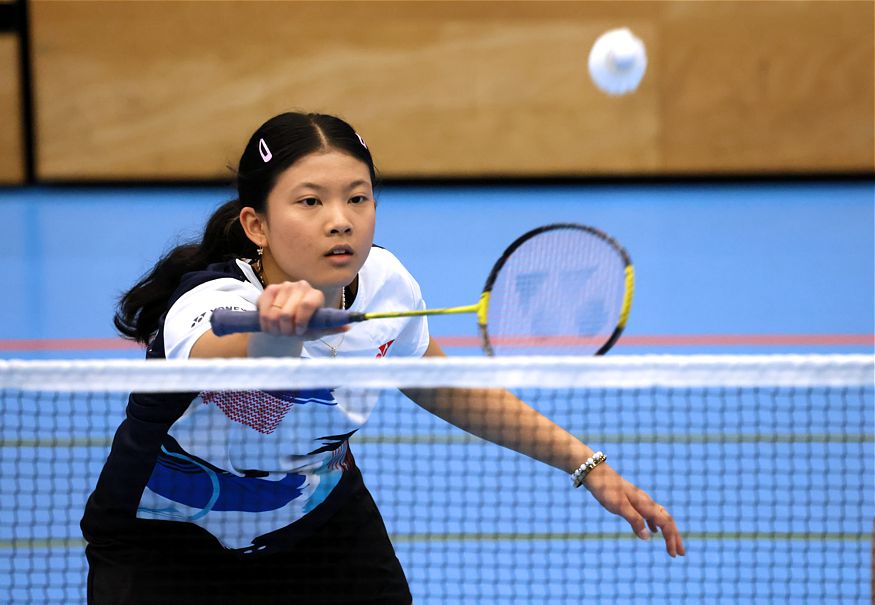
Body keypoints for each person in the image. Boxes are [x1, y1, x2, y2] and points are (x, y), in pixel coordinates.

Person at [82, 112, 684, 605]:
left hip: (316, 526)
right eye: (310, 202)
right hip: (165, 543)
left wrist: (587, 466)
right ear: (256, 225)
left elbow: (443, 386)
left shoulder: (387, 285)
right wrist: (275, 331)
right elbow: (218, 351)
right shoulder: (208, 299)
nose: (340, 220)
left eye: (358, 198)